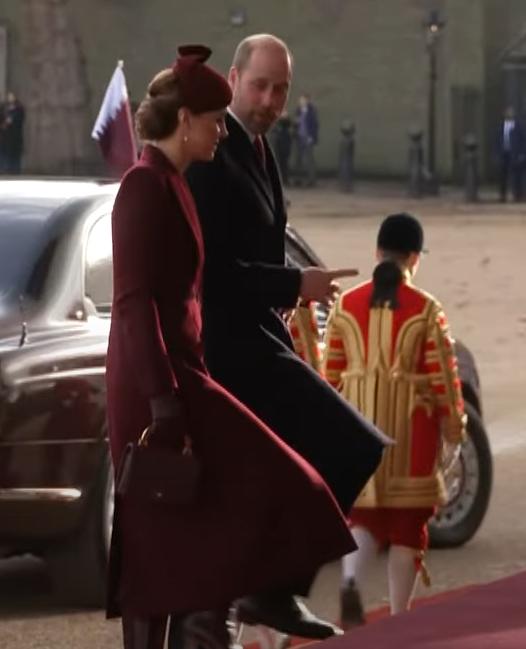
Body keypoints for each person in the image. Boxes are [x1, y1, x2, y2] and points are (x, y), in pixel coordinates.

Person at [105, 45, 355, 649]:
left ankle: (219, 620)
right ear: (185, 120)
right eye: (216, 120)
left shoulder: (171, 182)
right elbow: (135, 305)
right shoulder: (144, 187)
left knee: (185, 532)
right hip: (159, 386)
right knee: (171, 531)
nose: (224, 130)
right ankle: (242, 607)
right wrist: (164, 402)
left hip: (184, 376)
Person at [184, 34, 391, 640]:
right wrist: (294, 282)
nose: (271, 100)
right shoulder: (212, 154)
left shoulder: (258, 149)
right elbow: (212, 273)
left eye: (281, 89)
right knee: (350, 445)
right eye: (260, 86)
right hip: (228, 349)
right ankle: (265, 592)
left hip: (259, 338)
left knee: (335, 455)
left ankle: (268, 591)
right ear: (233, 78)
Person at [320, 213, 467, 627]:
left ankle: (350, 580)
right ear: (414, 257)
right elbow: (444, 378)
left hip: (359, 429)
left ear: (377, 252)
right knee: (407, 526)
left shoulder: (346, 305)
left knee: (363, 516)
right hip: (413, 433)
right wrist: (455, 430)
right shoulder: (426, 309)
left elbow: (329, 378)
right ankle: (400, 617)